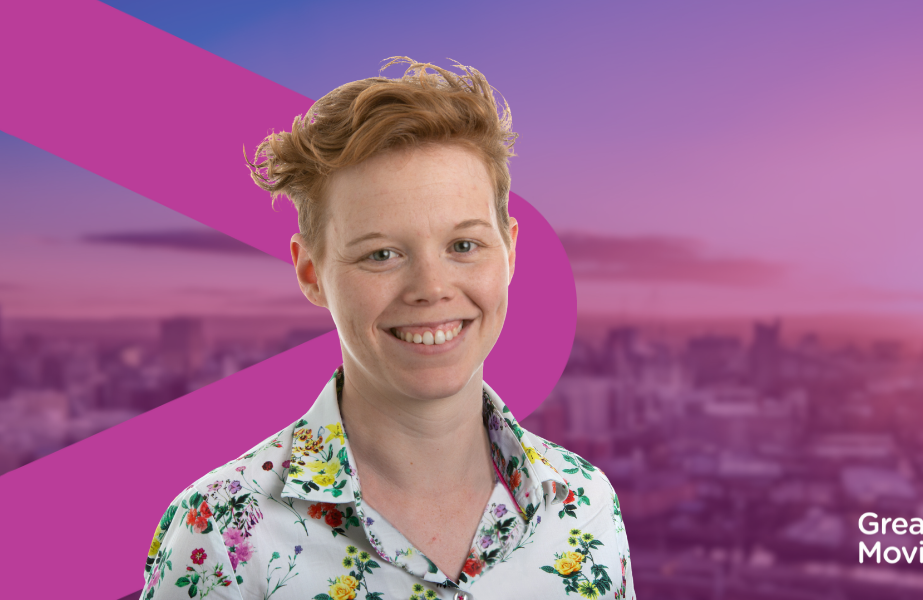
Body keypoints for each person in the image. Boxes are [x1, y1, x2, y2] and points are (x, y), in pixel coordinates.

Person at [140, 56, 633, 600]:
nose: (431, 287)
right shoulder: (220, 533)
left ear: (510, 251)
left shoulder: (586, 506)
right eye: (381, 254)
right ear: (311, 273)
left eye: (463, 245)